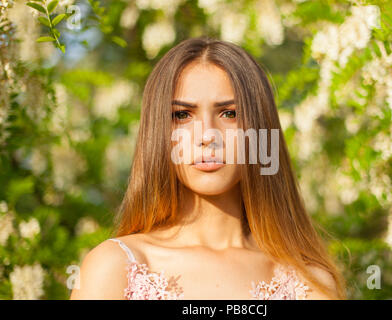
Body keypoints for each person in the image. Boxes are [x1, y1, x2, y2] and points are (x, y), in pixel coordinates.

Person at [70, 36, 346, 300]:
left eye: (229, 114)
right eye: (182, 115)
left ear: (259, 130)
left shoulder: (307, 282)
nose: (208, 135)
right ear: (158, 132)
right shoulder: (113, 268)